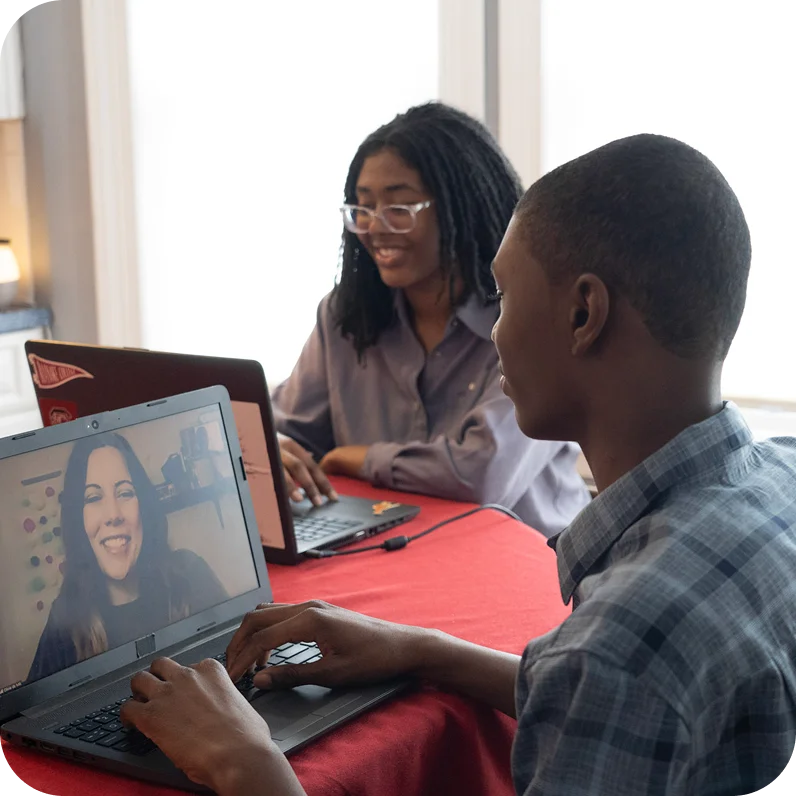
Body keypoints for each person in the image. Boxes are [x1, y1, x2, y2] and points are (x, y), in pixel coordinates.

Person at [119, 134, 796, 795]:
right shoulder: (775, 487)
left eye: (502, 297)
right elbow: (589, 692)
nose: (493, 330)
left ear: (584, 312)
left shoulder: (620, 644)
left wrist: (246, 764)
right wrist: (418, 648)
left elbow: (608, 675)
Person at [272, 101, 590, 537]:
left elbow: (483, 475)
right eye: (362, 209)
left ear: (463, 208)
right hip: (386, 556)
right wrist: (274, 449)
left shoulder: (531, 321)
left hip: (523, 568)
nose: (375, 228)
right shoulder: (345, 318)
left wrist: (357, 457)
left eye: (400, 209)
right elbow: (288, 433)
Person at [27, 433, 228, 683]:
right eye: (93, 498)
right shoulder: (65, 616)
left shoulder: (189, 572)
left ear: (143, 504)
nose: (113, 514)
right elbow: (35, 707)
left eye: (124, 493)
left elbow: (238, 652)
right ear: (78, 518)